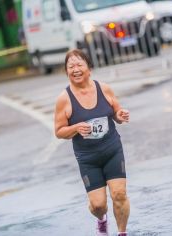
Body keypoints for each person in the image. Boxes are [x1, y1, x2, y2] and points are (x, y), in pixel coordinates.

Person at [54, 49, 130, 236]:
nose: (75, 69)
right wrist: (75, 128)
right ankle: (101, 220)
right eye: (70, 66)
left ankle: (122, 233)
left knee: (119, 194)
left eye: (79, 64)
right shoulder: (64, 99)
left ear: (89, 68)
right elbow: (59, 132)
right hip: (88, 158)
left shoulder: (104, 88)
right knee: (98, 205)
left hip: (112, 149)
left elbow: (116, 113)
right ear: (66, 72)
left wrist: (120, 115)